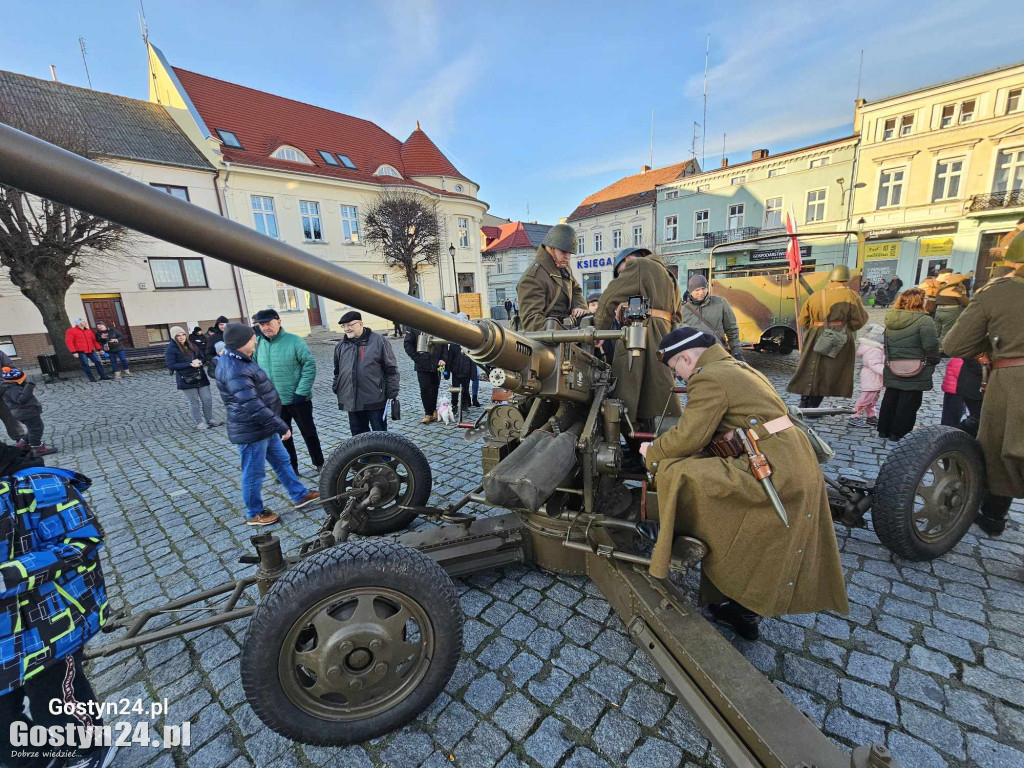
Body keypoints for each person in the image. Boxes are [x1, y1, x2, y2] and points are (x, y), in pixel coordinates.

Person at [639, 327, 849, 640]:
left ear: (685, 357)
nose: (680, 377)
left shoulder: (709, 377)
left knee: (676, 472)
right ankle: (734, 602)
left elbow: (689, 436)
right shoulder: (738, 366)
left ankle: (672, 533)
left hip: (773, 469)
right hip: (790, 461)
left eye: (676, 370)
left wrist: (651, 454)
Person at [0, 464, 118, 768]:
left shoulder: (36, 483)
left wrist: (12, 574)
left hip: (47, 625)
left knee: (53, 699)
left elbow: (83, 540)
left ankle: (90, 750)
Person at [943, 230, 1024, 535]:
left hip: (1013, 384)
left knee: (1003, 449)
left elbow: (954, 344)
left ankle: (992, 515)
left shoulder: (998, 292)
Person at [215, 323, 319, 525]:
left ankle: (299, 495)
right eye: (251, 338)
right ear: (241, 343)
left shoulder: (240, 359)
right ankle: (254, 512)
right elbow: (252, 404)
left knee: (282, 461)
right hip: (251, 430)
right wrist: (281, 425)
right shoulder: (234, 368)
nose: (255, 340)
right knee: (254, 473)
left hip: (263, 427)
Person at [595, 248, 683, 447]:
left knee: (622, 396)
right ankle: (659, 447)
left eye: (621, 271)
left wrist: (598, 331)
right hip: (663, 337)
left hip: (640, 336)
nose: (623, 275)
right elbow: (678, 315)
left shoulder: (639, 265)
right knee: (658, 396)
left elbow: (609, 297)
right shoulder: (669, 276)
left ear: (627, 260)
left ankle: (635, 451)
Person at [252, 309, 324, 475]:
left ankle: (320, 463)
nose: (265, 328)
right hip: (274, 402)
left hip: (298, 399)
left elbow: (309, 366)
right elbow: (254, 371)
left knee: (309, 433)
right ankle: (292, 469)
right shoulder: (258, 344)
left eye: (268, 324)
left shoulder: (295, 341)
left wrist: (301, 392)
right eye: (261, 325)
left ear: (279, 321)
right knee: (283, 437)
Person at [787, 265, 868, 409]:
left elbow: (803, 320)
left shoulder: (816, 295)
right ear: (846, 279)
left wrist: (816, 328)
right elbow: (859, 321)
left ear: (831, 278)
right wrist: (842, 328)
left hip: (815, 334)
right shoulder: (851, 296)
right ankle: (813, 404)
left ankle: (805, 401)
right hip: (839, 336)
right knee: (827, 371)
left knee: (810, 367)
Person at [876, 289, 940, 441]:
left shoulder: (890, 318)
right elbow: (931, 345)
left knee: (891, 397)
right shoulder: (925, 320)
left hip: (894, 363)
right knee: (909, 401)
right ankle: (898, 433)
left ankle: (884, 429)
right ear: (919, 301)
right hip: (916, 366)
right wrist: (934, 360)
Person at [332, 311, 400, 435]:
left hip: (374, 399)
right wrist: (337, 386)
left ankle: (383, 455)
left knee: (380, 436)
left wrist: (392, 391)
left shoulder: (379, 341)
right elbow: (337, 371)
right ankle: (364, 456)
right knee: (359, 439)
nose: (347, 329)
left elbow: (391, 369)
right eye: (344, 326)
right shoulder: (341, 345)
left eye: (350, 325)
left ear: (361, 324)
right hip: (352, 402)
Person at [516, 223, 587, 331]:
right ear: (551, 248)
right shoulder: (532, 278)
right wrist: (565, 334)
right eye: (563, 252)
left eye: (570, 253)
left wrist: (580, 306)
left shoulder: (563, 265)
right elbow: (532, 322)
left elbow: (575, 289)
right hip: (547, 340)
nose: (567, 257)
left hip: (567, 332)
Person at [165, 326, 222, 431]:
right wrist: (190, 364)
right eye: (178, 336)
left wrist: (200, 361)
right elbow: (171, 365)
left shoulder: (192, 345)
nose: (181, 337)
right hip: (186, 379)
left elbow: (202, 356)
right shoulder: (171, 349)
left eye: (183, 335)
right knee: (194, 402)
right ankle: (199, 422)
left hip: (200, 376)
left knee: (207, 399)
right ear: (174, 337)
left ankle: (209, 419)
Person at [682, 274, 743, 359]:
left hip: (717, 353)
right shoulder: (683, 310)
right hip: (693, 357)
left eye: (703, 288)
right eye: (697, 290)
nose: (701, 292)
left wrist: (737, 352)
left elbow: (732, 329)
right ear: (690, 291)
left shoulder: (721, 303)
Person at [0, 367, 57, 457]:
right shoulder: (12, 389)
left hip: (25, 412)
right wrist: (29, 387)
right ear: (17, 381)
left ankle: (23, 443)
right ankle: (36, 447)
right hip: (26, 412)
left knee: (33, 428)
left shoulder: (11, 387)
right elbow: (21, 400)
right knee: (36, 429)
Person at [404, 327, 445, 423]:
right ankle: (428, 413)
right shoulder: (413, 325)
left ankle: (434, 410)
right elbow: (407, 344)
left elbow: (443, 344)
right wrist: (417, 359)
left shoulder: (437, 324)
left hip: (436, 363)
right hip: (422, 365)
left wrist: (443, 358)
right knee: (425, 388)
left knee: (435, 387)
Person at [940, 356, 983, 437]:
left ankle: (948, 437)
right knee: (951, 420)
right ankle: (950, 438)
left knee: (950, 419)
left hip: (957, 382)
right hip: (959, 383)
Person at [851, 324, 884, 427]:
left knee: (872, 398)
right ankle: (855, 416)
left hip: (875, 378)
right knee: (866, 399)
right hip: (871, 377)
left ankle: (871, 416)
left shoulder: (877, 348)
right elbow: (873, 364)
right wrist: (886, 371)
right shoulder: (874, 349)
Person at [65, 318, 111, 382]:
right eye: (84, 322)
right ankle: (91, 378)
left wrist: (99, 349)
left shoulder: (88, 330)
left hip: (91, 350)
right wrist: (74, 352)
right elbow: (69, 342)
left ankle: (103, 375)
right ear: (80, 323)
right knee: (85, 364)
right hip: (80, 351)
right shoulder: (71, 331)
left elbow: (94, 341)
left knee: (97, 362)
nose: (85, 322)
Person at [933, 273, 970, 342]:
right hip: (951, 311)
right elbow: (966, 303)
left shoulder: (942, 289)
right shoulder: (957, 290)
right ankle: (941, 350)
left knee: (936, 331)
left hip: (938, 310)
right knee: (946, 332)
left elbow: (937, 299)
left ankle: (931, 347)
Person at [0, 349, 25, 444]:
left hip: (2, 391)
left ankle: (21, 440)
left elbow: (10, 368)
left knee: (10, 416)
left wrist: (4, 382)